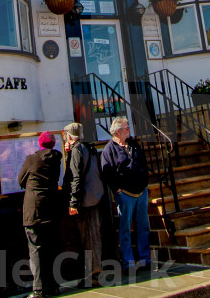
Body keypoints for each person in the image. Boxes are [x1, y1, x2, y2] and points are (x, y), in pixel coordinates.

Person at [99, 116, 151, 270]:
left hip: (141, 191)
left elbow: (142, 163)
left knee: (143, 226)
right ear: (118, 131)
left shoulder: (133, 145)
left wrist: (144, 182)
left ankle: (144, 258)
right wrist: (117, 189)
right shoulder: (109, 150)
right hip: (125, 194)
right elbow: (106, 172)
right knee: (125, 228)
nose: (129, 130)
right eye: (127, 128)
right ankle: (128, 261)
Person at [17, 131, 63, 298]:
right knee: (51, 248)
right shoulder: (56, 159)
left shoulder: (31, 159)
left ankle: (38, 290)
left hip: (34, 209)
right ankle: (53, 286)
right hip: (51, 206)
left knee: (35, 249)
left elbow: (20, 180)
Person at [62, 122, 103, 284]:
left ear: (69, 136)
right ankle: (94, 271)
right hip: (95, 196)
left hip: (85, 200)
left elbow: (75, 176)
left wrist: (73, 202)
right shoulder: (87, 147)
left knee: (88, 236)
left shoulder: (77, 150)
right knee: (93, 234)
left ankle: (93, 274)